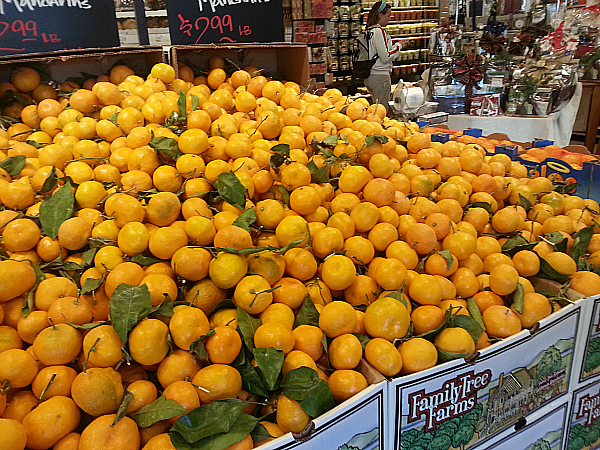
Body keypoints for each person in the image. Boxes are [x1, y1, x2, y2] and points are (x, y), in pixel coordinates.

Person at [364, 0, 402, 113]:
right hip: (380, 77)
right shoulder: (378, 31)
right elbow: (385, 56)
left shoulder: (368, 31)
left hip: (369, 75)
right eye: (388, 15)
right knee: (380, 112)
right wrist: (399, 45)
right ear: (380, 15)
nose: (389, 18)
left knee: (375, 109)